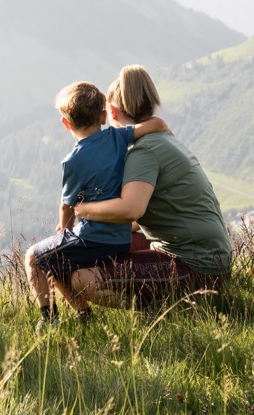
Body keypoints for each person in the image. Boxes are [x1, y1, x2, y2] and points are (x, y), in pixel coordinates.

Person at [72, 65, 233, 305]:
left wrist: (81, 209)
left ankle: (160, 316)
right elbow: (145, 214)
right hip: (211, 259)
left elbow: (131, 209)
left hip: (198, 266)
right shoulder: (162, 138)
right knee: (103, 248)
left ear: (113, 113)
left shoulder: (144, 152)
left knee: (82, 278)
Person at [24, 81, 169, 325]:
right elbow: (156, 124)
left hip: (93, 238)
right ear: (103, 116)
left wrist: (65, 227)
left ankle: (49, 319)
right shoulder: (118, 137)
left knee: (34, 258)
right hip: (120, 237)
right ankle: (84, 317)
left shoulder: (73, 161)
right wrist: (164, 128)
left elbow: (67, 206)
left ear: (66, 123)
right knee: (58, 258)